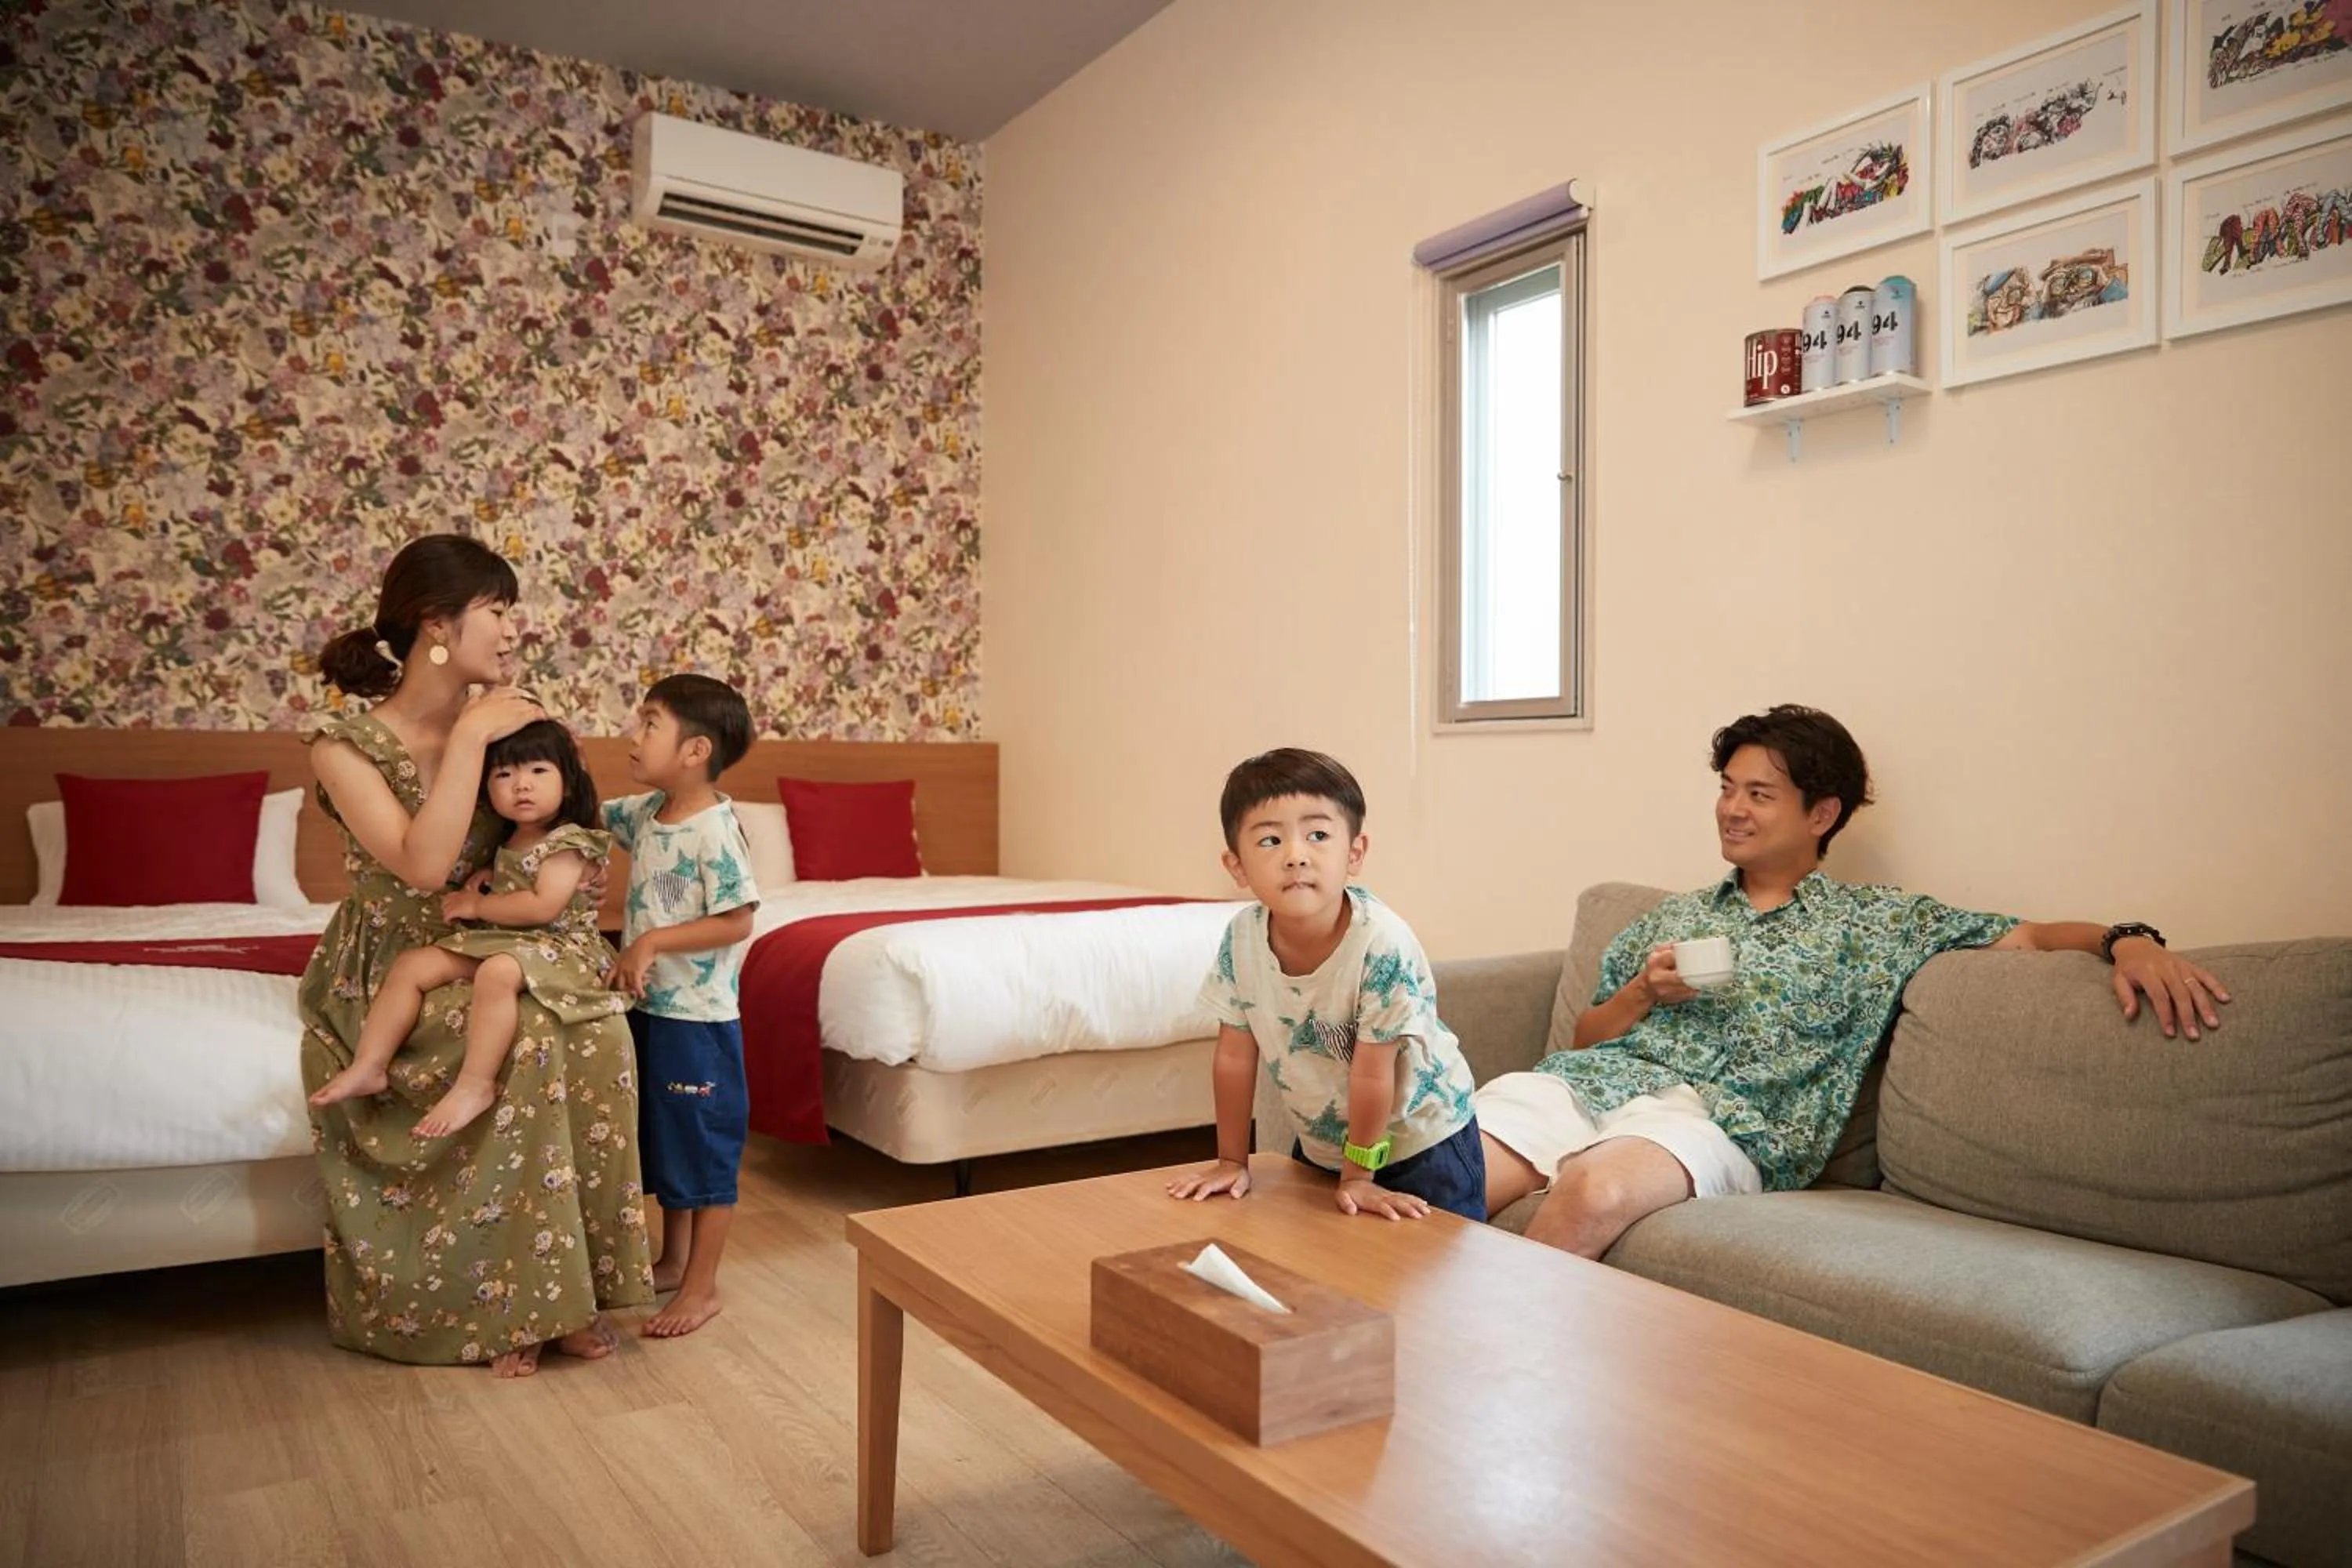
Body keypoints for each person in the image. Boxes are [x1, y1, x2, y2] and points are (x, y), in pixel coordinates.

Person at [1475, 704, 2229, 1257]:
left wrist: (2130, 941)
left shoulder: (1877, 923)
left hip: (1722, 1121)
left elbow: (2030, 935)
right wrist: (1643, 994)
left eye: (1759, 794)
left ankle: (1494, 1376)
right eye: (1727, 788)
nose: (1733, 809)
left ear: (1822, 813)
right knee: (1444, 1163)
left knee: (1594, 1190)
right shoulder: (1672, 916)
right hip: (1597, 1084)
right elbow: (1584, 1038)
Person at [301, 534, 652, 1377]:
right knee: (529, 1039)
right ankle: (509, 1306)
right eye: (496, 609)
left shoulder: (509, 727)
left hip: (502, 940)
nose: (509, 629)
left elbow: (559, 815)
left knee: (601, 1032)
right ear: (437, 624)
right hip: (397, 960)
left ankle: (577, 1294)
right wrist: (466, 741)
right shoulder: (343, 744)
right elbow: (423, 864)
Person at [1169, 748, 1485, 1221]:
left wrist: (1359, 1176)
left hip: (1423, 1145)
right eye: (1271, 841)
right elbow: (1235, 1055)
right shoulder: (1241, 937)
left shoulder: (1382, 943)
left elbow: (1373, 1072)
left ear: (1354, 853)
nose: (1296, 857)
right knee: (1319, 1278)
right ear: (1236, 866)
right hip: (1325, 1146)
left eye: (1318, 836)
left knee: (1429, 1289)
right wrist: (1232, 1161)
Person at [309, 718, 626, 1138]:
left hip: (561, 948)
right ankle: (371, 1064)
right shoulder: (513, 837)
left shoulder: (568, 842)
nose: (521, 785)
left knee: (497, 972)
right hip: (514, 945)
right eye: (504, 775)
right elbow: (515, 876)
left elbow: (541, 905)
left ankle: (476, 1085)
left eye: (538, 771)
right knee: (413, 966)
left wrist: (478, 902)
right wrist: (485, 872)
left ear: (568, 783)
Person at [601, 673, 760, 1338]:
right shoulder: (646, 813)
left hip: (699, 1021)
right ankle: (671, 1259)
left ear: (695, 750)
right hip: (649, 1011)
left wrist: (652, 941)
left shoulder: (714, 830)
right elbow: (580, 811)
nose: (632, 737)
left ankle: (702, 1286)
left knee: (704, 1148)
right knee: (666, 1140)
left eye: (649, 725)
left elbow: (737, 920)